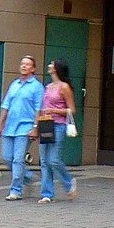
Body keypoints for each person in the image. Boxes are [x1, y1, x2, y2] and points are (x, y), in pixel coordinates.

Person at [0, 55, 44, 201]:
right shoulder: (14, 84)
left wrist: (35, 127)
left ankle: (16, 190)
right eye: (22, 63)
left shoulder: (36, 86)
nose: (24, 66)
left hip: (25, 127)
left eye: (27, 64)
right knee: (7, 157)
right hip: (9, 127)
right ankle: (27, 176)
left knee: (18, 159)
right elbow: (5, 106)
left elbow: (38, 109)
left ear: (33, 69)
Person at [37, 59, 77, 204]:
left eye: (52, 64)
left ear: (56, 68)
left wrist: (54, 110)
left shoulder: (64, 87)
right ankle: (47, 193)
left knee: (53, 159)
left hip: (58, 125)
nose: (49, 65)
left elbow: (72, 110)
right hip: (45, 124)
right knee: (44, 161)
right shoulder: (48, 87)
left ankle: (68, 182)